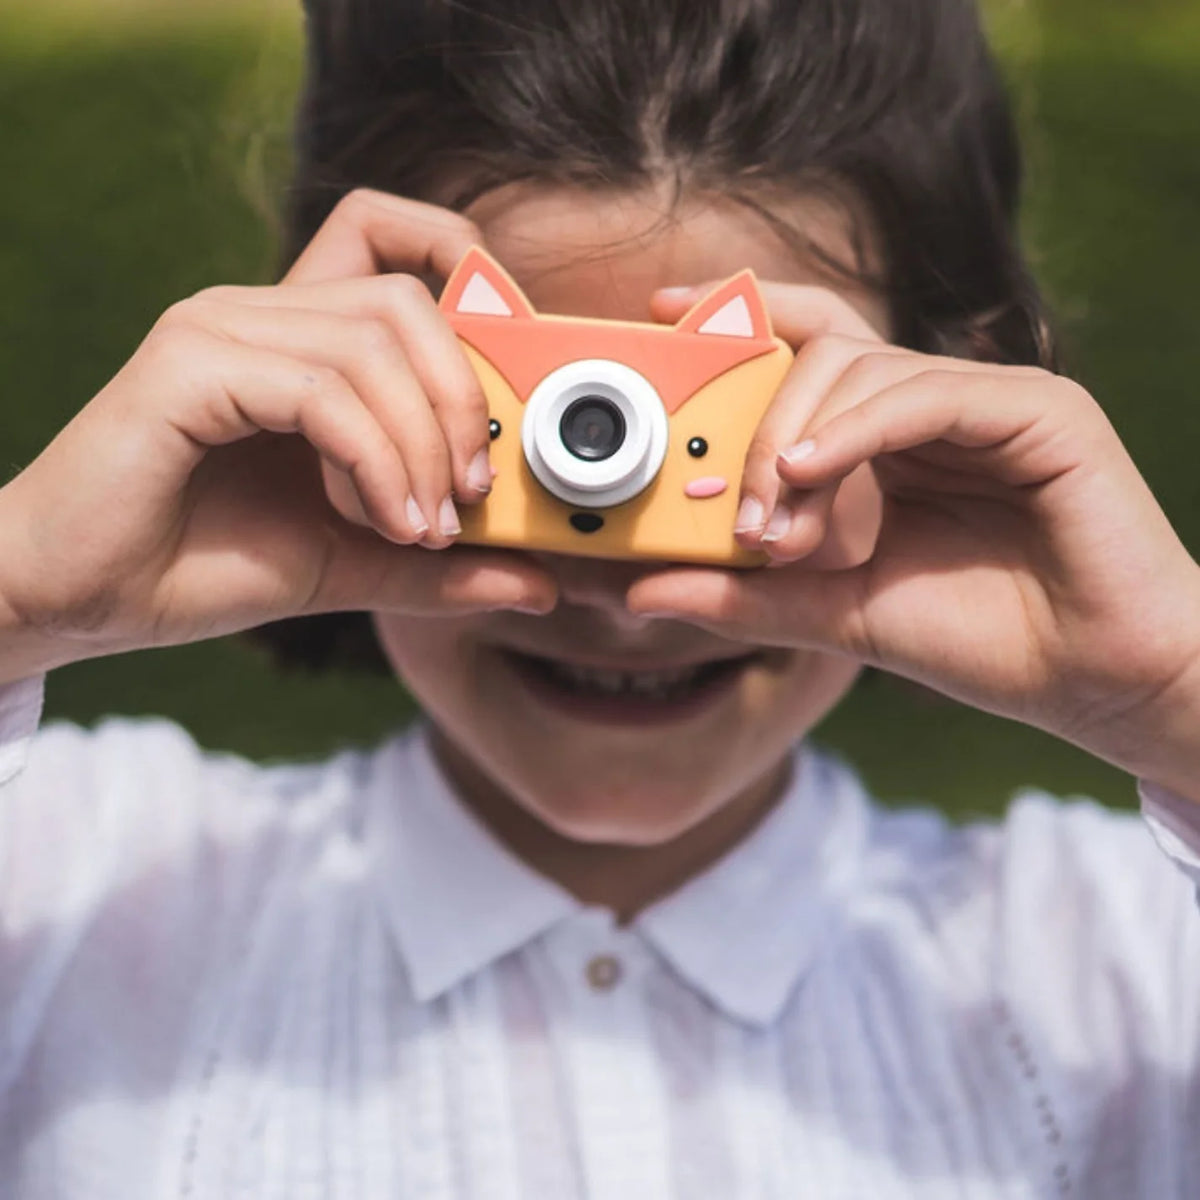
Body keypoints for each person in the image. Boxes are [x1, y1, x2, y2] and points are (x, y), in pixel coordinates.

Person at [1, 0, 1199, 1194]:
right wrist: (19, 592)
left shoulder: (1123, 971)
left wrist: (1178, 693)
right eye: (521, 429)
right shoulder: (73, 894)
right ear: (326, 367)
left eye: (731, 441)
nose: (625, 596)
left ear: (941, 419)